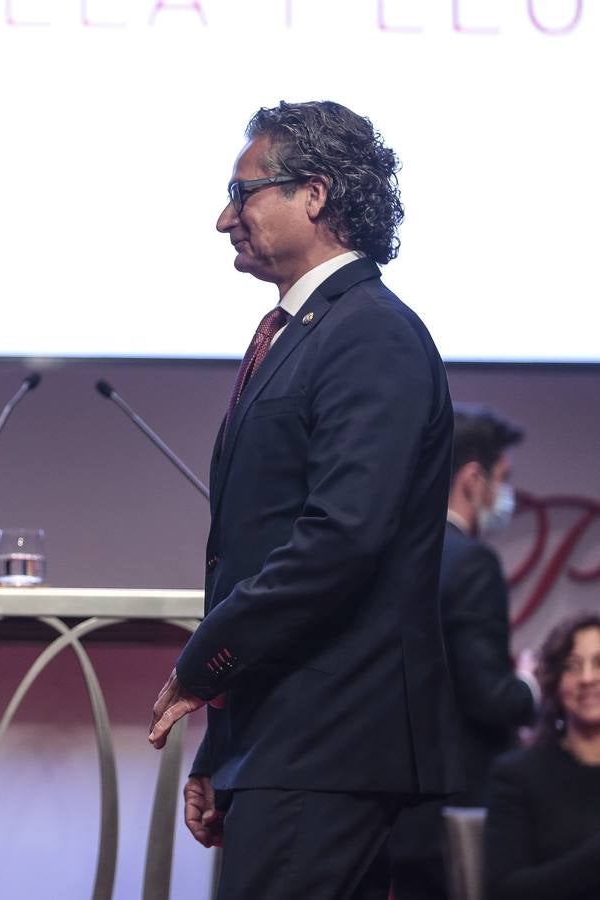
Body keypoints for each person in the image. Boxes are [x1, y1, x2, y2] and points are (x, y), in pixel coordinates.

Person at [145, 101, 460, 899]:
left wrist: (202, 664)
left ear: (314, 195)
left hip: (331, 747)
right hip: (287, 746)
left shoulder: (370, 333)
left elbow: (339, 539)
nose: (225, 218)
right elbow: (258, 552)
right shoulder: (308, 330)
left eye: (243, 192)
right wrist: (225, 751)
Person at [390, 404, 538, 900]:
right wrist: (530, 685)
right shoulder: (472, 563)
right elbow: (486, 694)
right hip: (456, 809)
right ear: (473, 479)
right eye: (502, 478)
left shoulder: (397, 552)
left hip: (395, 806)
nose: (506, 495)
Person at [484, 613, 600, 900]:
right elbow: (505, 890)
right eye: (573, 667)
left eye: (599, 664)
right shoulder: (518, 775)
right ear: (555, 682)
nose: (587, 678)